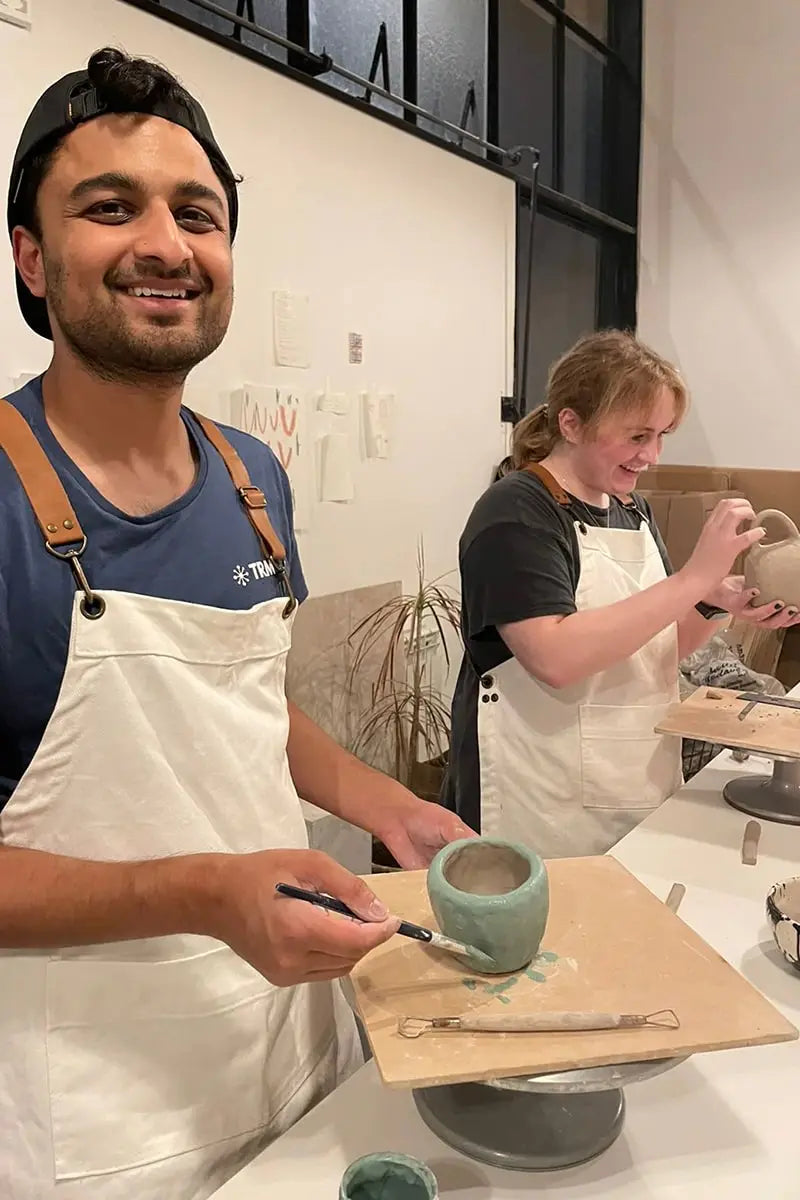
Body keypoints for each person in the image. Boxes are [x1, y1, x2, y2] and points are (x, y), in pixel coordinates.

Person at [0, 48, 473, 1200]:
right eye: (109, 208)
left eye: (197, 214)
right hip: (94, 1107)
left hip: (287, 1048)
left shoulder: (252, 475)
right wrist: (206, 894)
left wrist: (388, 805)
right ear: (31, 256)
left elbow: (247, 706)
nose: (167, 244)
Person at [442, 330, 800, 859]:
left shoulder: (631, 510)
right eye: (637, 436)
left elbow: (656, 651)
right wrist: (693, 579)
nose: (651, 455)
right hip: (539, 796)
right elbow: (555, 658)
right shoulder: (516, 512)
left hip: (632, 779)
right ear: (571, 424)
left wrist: (709, 603)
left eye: (661, 435)